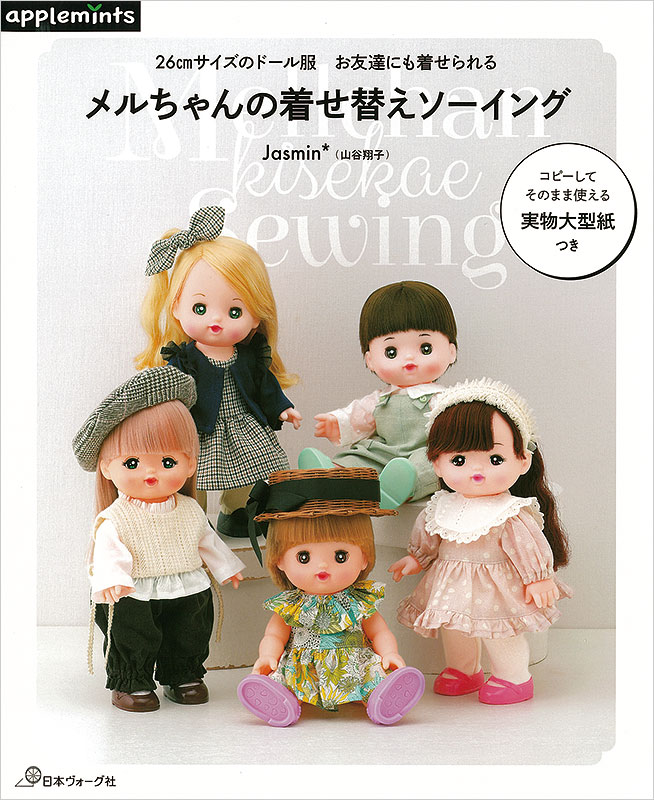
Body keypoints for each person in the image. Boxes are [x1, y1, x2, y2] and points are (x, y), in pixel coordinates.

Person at [72, 366, 245, 712]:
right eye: (132, 462)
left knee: (189, 630)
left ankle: (183, 675)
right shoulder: (115, 518)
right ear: (106, 467)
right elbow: (108, 554)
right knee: (133, 636)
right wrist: (112, 579)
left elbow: (206, 541)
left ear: (190, 463)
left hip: (187, 585)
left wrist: (227, 568)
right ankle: (132, 681)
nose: (150, 473)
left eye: (168, 461)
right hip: (132, 591)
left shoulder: (190, 509)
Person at [389, 379, 571, 704]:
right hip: (449, 586)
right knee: (453, 630)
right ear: (436, 463)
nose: (477, 471)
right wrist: (416, 558)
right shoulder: (441, 506)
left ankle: (514, 677)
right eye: (458, 460)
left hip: (496, 588)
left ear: (523, 460)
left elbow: (527, 546)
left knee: (499, 632)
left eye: (495, 459)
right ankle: (464, 670)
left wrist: (538, 577)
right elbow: (429, 537)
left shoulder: (509, 511)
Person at [135, 206, 301, 536]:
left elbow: (265, 385)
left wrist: (282, 408)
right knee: (189, 474)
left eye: (234, 311)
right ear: (176, 307)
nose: (215, 319)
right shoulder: (184, 360)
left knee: (248, 470)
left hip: (242, 427)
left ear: (257, 316)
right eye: (200, 307)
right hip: (197, 429)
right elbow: (170, 390)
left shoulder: (248, 358)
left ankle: (238, 511)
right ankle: (190, 516)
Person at [237, 467, 425, 726]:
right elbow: (274, 635)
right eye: (304, 557)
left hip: (353, 666)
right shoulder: (292, 606)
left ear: (364, 558)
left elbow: (379, 631)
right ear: (279, 560)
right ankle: (281, 700)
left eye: (340, 556)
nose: (322, 567)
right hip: (304, 668)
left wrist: (389, 653)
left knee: (372, 674)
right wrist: (268, 656)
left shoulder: (359, 601)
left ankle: (380, 698)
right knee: (285, 677)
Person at [299, 281, 457, 508]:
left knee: (434, 463)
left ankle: (400, 488)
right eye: (391, 351)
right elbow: (359, 415)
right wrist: (338, 422)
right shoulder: (380, 399)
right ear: (370, 359)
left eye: (425, 348)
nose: (409, 358)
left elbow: (460, 426)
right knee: (361, 455)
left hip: (424, 452)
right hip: (384, 452)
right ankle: (333, 477)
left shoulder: (445, 399)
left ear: (451, 351)